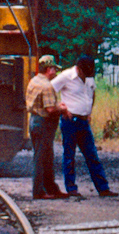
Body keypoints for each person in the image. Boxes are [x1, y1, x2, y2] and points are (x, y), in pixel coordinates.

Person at [53, 55, 114, 198]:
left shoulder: (90, 78)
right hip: (70, 120)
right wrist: (60, 107)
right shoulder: (66, 76)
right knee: (69, 155)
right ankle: (71, 188)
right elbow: (50, 90)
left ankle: (103, 188)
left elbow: (92, 94)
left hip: (83, 121)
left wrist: (89, 111)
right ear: (78, 69)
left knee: (92, 154)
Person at [26, 54, 66, 198]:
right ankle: (39, 191)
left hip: (34, 121)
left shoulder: (34, 81)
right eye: (54, 69)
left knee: (45, 156)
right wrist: (62, 108)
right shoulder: (47, 86)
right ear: (49, 69)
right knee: (42, 158)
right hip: (44, 124)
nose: (56, 72)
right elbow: (50, 109)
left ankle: (51, 188)